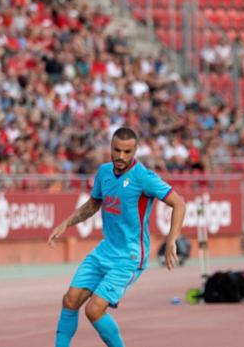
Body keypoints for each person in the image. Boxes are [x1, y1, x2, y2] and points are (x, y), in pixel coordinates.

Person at [48, 127, 186, 347]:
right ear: (110, 148)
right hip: (105, 250)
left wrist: (172, 240)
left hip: (129, 257)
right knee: (70, 300)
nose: (121, 156)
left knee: (94, 310)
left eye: (127, 152)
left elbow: (178, 203)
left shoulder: (143, 178)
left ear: (135, 151)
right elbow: (94, 203)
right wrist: (66, 223)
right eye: (117, 150)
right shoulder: (103, 172)